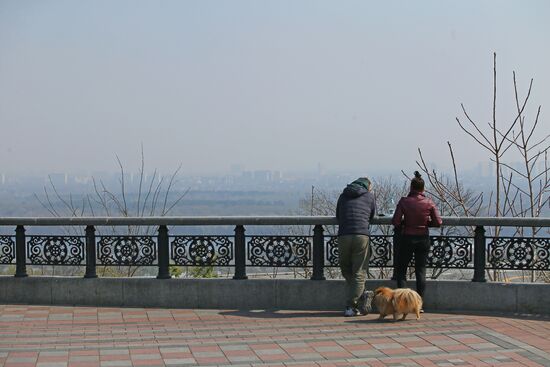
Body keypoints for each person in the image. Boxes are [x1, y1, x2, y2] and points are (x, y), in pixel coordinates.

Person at [391, 171, 442, 307]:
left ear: (411, 188)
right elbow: (438, 222)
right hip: (423, 239)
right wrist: (426, 224)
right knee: (421, 271)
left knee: (401, 271)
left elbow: (395, 221)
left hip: (407, 238)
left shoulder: (404, 201)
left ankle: (402, 303)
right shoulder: (429, 202)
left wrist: (405, 223)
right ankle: (419, 304)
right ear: (423, 189)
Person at [336, 177, 376, 317]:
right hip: (361, 236)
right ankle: (351, 306)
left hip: (344, 235)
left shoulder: (343, 195)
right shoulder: (369, 196)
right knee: (359, 271)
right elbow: (371, 216)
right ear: (367, 186)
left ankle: (360, 293)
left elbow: (338, 215)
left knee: (345, 267)